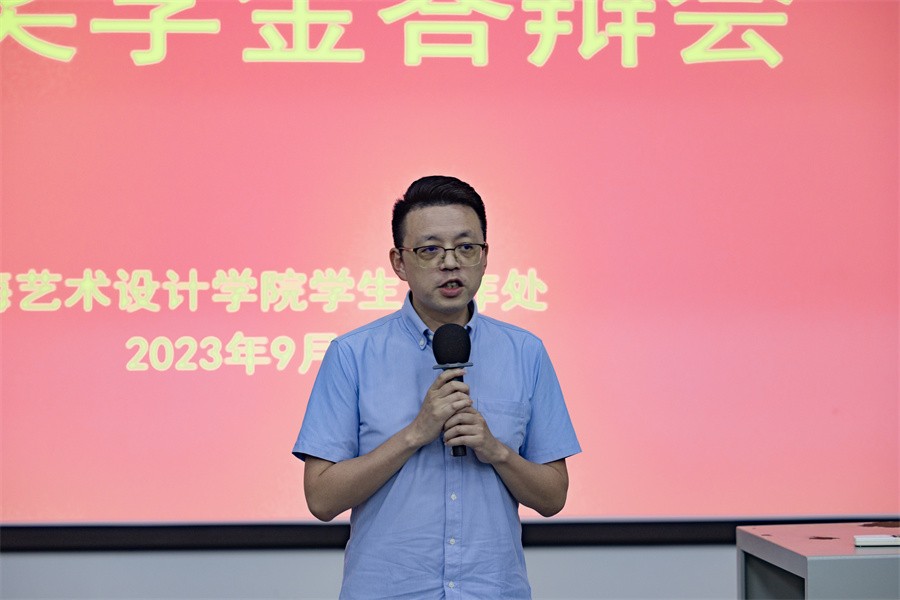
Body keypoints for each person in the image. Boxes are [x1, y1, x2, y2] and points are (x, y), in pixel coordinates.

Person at [293, 175, 581, 599]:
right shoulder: (352, 354)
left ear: (485, 256)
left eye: (466, 247)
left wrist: (497, 451)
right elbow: (321, 499)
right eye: (430, 250)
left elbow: (553, 497)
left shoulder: (525, 352)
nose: (451, 263)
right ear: (399, 262)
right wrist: (415, 434)